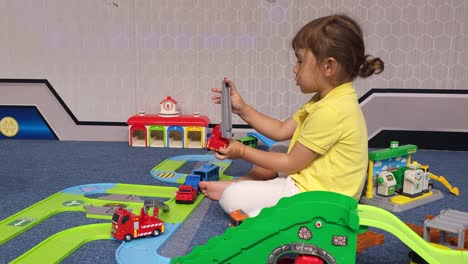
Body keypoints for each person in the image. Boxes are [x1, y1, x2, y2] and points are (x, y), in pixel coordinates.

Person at [200, 14, 384, 217]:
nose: (294, 68)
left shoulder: (332, 110)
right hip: (316, 180)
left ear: (328, 66)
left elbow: (291, 163)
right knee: (277, 148)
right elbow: (280, 130)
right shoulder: (325, 99)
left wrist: (242, 151)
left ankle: (242, 193)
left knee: (232, 197)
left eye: (300, 60)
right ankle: (244, 184)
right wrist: (243, 108)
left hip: (321, 199)